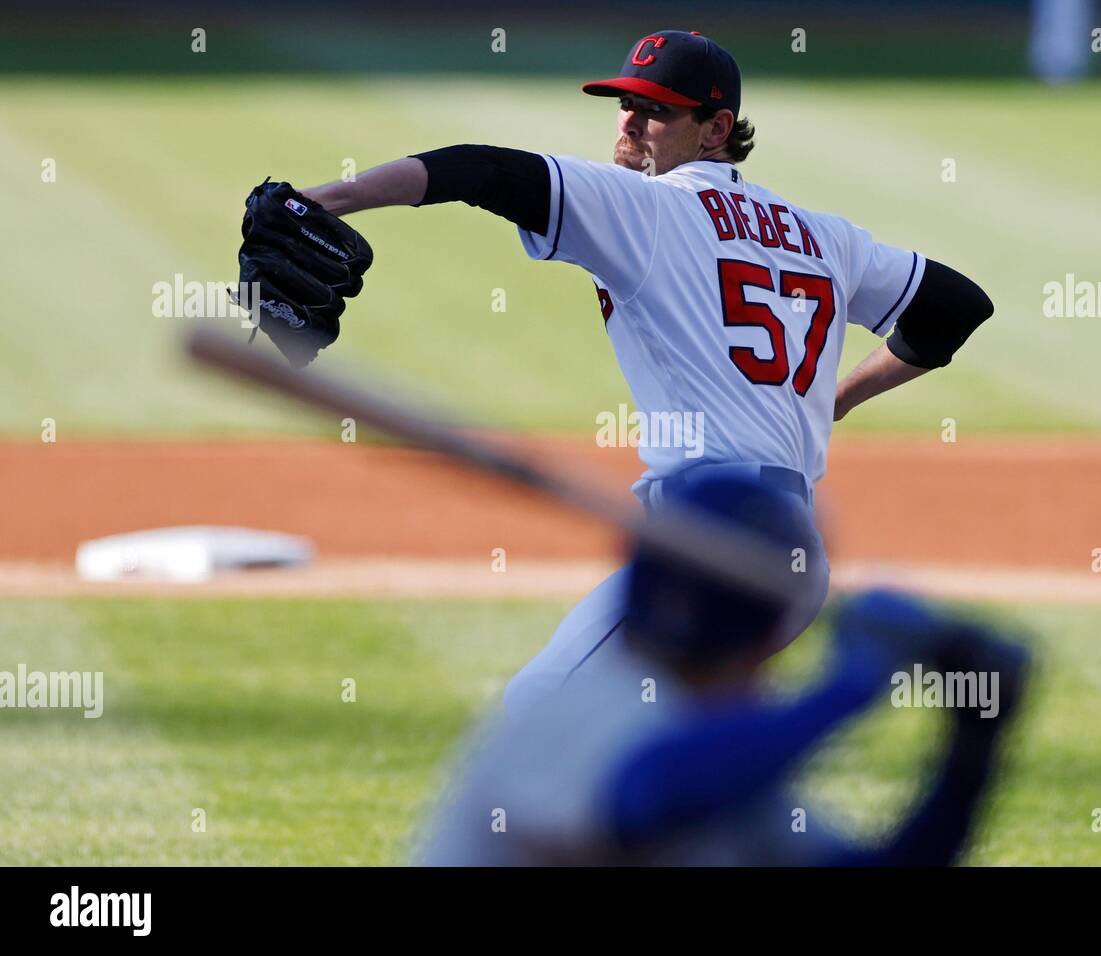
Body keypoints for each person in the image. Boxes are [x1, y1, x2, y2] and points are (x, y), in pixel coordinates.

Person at [292, 30, 996, 713]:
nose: (629, 123)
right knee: (668, 745)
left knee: (541, 714)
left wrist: (321, 202)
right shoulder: (824, 235)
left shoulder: (649, 205)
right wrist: (831, 403)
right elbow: (956, 307)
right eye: (625, 104)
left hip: (717, 544)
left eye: (656, 110)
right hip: (786, 545)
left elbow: (484, 170)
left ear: (716, 128)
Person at [417, 475, 1030, 866]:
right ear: (772, 629)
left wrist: (971, 749)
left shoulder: (735, 760)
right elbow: (652, 790)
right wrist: (850, 686)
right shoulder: (572, 710)